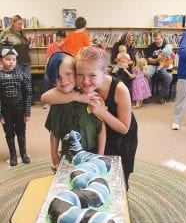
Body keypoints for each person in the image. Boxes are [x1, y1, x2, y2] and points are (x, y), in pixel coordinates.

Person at [41, 46, 138, 190]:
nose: (85, 81)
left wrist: (101, 112)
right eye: (79, 75)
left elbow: (124, 128)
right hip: (95, 136)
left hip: (120, 137)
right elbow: (45, 97)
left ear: (104, 73)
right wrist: (77, 96)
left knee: (117, 179)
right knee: (90, 178)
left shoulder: (120, 89)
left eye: (92, 75)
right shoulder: (77, 86)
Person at [44, 51, 106, 170]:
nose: (64, 81)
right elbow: (54, 133)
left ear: (76, 73)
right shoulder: (57, 102)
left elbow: (101, 128)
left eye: (68, 74)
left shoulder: (91, 96)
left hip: (92, 154)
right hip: (68, 156)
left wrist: (100, 154)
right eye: (58, 77)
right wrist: (54, 156)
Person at [0, 46, 32, 166]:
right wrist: (0, 115)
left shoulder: (21, 75)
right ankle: (13, 154)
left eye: (13, 59)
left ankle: (23, 153)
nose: (11, 62)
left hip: (19, 110)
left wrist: (27, 112)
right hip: (6, 110)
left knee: (21, 133)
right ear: (1, 60)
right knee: (9, 134)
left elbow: (28, 95)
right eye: (8, 59)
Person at [0, 15, 33, 103]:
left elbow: (25, 47)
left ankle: (28, 100)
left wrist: (29, 45)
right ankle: (18, 100)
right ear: (13, 23)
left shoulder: (22, 33)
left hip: (26, 61)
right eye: (19, 24)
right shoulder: (6, 33)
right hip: (14, 62)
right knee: (17, 81)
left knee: (27, 81)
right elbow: (2, 47)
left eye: (21, 24)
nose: (20, 26)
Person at [146, 29, 173, 104]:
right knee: (146, 75)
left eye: (158, 39)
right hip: (152, 65)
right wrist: (158, 59)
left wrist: (168, 58)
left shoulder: (167, 46)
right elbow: (149, 60)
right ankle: (148, 94)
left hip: (163, 66)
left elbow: (171, 58)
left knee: (169, 77)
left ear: (162, 38)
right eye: (155, 39)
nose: (157, 41)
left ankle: (162, 96)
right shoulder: (150, 46)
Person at [43, 30, 67, 109]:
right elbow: (48, 59)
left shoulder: (67, 45)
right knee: (46, 78)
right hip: (53, 67)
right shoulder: (51, 46)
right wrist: (46, 69)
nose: (59, 41)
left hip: (65, 67)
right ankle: (48, 102)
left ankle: (64, 99)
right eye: (58, 39)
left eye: (62, 39)